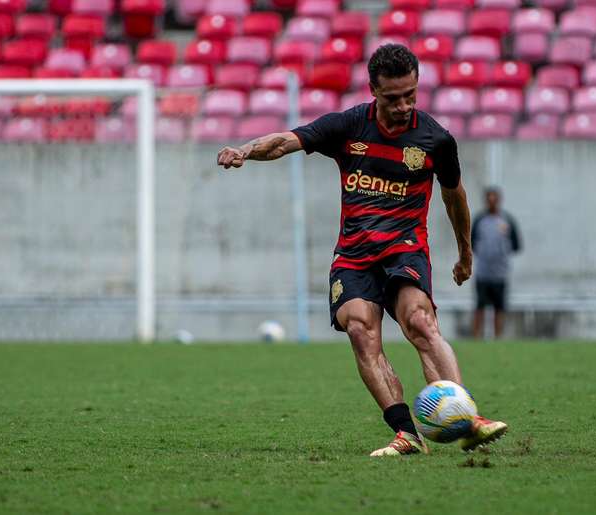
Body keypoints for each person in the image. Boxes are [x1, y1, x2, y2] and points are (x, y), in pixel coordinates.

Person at [216, 44, 507, 457]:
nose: (404, 105)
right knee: (360, 330)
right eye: (393, 98)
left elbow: (455, 197)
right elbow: (287, 141)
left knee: (421, 323)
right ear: (373, 89)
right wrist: (245, 150)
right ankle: (407, 433)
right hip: (353, 255)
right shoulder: (349, 126)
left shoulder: (436, 139)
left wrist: (465, 254)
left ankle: (467, 417)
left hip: (405, 248)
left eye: (411, 95)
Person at [471, 187, 522, 340]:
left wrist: (501, 252)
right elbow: (471, 242)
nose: (492, 202)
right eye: (489, 198)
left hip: (500, 274)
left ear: (499, 200)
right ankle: (476, 337)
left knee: (499, 308)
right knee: (479, 306)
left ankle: (497, 338)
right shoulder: (479, 220)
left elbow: (516, 245)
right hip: (483, 273)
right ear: (486, 201)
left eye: (495, 198)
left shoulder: (507, 220)